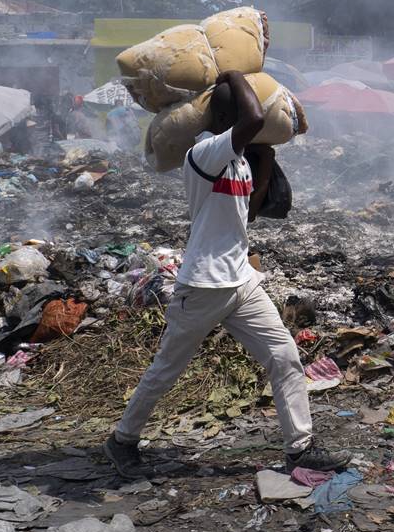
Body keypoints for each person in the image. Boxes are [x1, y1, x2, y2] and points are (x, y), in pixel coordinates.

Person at [104, 70, 350, 479]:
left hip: (240, 280)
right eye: (240, 111)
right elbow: (253, 119)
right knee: (166, 369)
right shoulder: (202, 153)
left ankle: (300, 449)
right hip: (203, 283)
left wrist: (267, 156)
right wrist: (234, 73)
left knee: (285, 357)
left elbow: (249, 213)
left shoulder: (238, 161)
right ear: (224, 119)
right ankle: (121, 440)